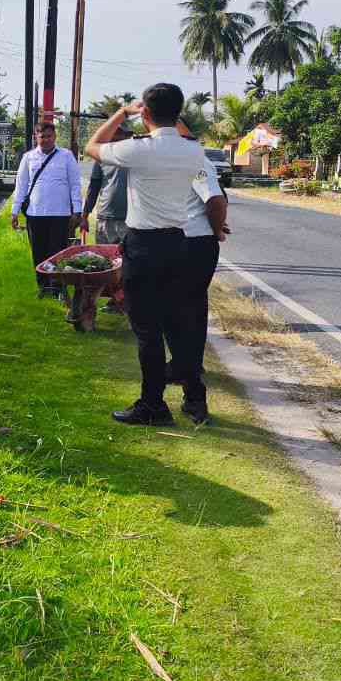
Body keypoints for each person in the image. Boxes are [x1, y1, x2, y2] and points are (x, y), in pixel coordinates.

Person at [84, 84, 224, 426]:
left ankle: (152, 405)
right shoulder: (194, 152)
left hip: (144, 247)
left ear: (143, 112)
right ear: (178, 113)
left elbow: (92, 146)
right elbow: (204, 176)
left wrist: (120, 113)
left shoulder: (139, 149)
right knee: (180, 327)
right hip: (179, 245)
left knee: (147, 332)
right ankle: (193, 399)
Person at [162, 138, 228, 410]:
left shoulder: (197, 163)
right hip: (177, 240)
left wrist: (216, 229)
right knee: (179, 311)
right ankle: (183, 365)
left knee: (186, 312)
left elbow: (215, 201)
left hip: (193, 244)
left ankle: (188, 376)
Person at [11, 122, 83, 296]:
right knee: (38, 251)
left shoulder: (66, 156)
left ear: (55, 136)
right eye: (42, 136)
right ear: (36, 137)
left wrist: (77, 211)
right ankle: (43, 286)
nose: (46, 140)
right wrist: (14, 211)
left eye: (49, 136)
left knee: (57, 251)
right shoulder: (28, 157)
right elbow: (20, 186)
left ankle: (58, 286)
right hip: (35, 213)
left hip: (60, 213)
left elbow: (75, 185)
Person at [81, 120, 132, 245]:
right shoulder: (101, 157)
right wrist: (84, 216)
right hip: (105, 217)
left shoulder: (136, 157)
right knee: (105, 259)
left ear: (127, 136)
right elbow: (93, 188)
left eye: (120, 134)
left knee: (128, 259)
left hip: (131, 219)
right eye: (113, 134)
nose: (116, 137)